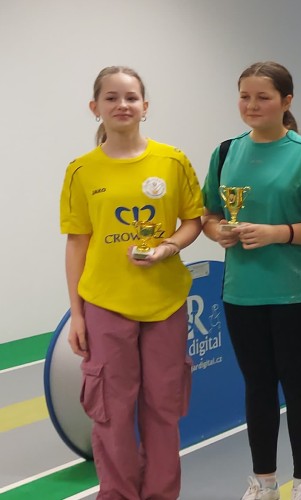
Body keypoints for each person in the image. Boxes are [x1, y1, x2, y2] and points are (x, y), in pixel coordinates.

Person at [60, 66, 203, 500]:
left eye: (131, 97)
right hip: (106, 304)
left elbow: (193, 221)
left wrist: (168, 247)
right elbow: (77, 244)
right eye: (111, 97)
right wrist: (78, 314)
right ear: (95, 107)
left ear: (145, 106)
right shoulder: (81, 171)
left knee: (163, 407)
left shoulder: (172, 161)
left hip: (165, 301)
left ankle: (161, 494)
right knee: (111, 411)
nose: (122, 105)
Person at [202, 61, 301, 500]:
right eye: (245, 96)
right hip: (242, 291)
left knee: (297, 383)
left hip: (297, 288)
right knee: (257, 385)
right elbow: (209, 213)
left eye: (263, 97)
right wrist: (218, 232)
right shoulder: (225, 153)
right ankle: (264, 482)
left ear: (286, 101)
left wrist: (278, 233)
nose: (252, 105)